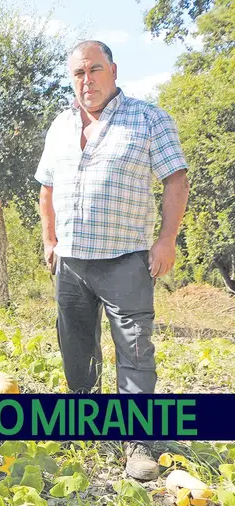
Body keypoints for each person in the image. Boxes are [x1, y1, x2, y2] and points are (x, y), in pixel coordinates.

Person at [35, 40, 189, 481]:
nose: (87, 80)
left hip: (126, 259)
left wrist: (166, 240)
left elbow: (176, 181)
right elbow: (47, 187)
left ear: (114, 70)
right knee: (77, 349)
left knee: (135, 352)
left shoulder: (148, 119)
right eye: (79, 73)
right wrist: (50, 239)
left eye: (95, 70)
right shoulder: (60, 125)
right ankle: (86, 427)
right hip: (71, 262)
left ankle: (138, 442)